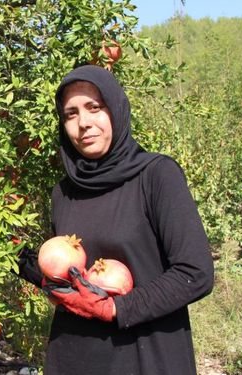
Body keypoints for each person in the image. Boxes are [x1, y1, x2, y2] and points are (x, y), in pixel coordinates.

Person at [17, 64, 215, 375]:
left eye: (94, 107)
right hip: (74, 356)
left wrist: (115, 308)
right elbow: (68, 274)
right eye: (71, 114)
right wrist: (18, 260)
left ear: (116, 109)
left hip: (145, 356)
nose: (84, 123)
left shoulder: (156, 175)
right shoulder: (63, 193)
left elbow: (195, 272)